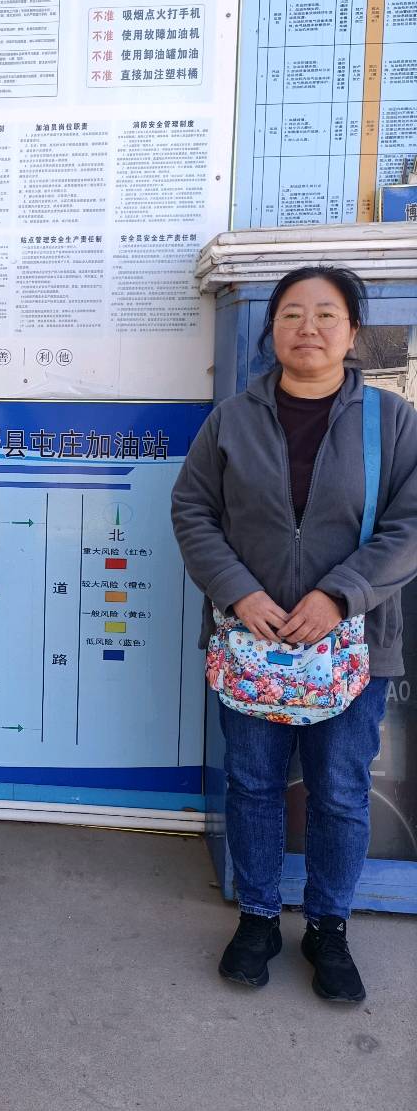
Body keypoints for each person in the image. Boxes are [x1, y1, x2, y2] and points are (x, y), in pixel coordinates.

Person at [172, 266, 417, 1003]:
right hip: (253, 644)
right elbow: (192, 511)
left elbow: (410, 525)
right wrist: (238, 591)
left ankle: (328, 927)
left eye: (326, 314)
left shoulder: (391, 420)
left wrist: (341, 595)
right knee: (252, 784)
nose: (308, 327)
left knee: (340, 790)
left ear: (352, 330)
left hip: (351, 646)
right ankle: (256, 918)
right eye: (291, 314)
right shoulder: (231, 419)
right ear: (271, 329)